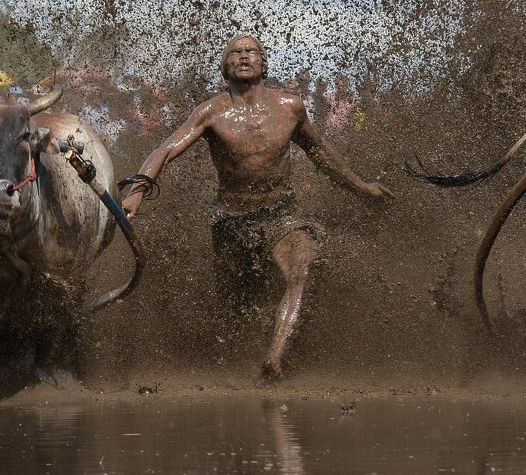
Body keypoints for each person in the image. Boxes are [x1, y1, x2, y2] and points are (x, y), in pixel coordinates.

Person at [121, 34, 393, 380]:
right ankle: (226, 366)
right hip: (230, 221)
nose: (244, 56)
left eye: (251, 51)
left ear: (264, 64)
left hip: (281, 214)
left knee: (301, 271)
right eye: (235, 52)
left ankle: (274, 360)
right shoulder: (210, 112)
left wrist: (363, 188)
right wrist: (137, 191)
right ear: (225, 68)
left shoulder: (290, 107)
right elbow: (164, 150)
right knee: (235, 306)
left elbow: (322, 153)